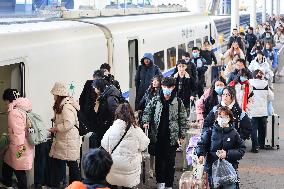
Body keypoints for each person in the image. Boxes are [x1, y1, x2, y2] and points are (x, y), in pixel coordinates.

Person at [142, 77, 187, 189]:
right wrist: (146, 121)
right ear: (161, 86)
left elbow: (183, 119)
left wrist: (182, 135)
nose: (167, 89)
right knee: (159, 162)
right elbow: (147, 111)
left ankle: (169, 184)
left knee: (170, 162)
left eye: (169, 87)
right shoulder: (156, 100)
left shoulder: (178, 102)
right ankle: (160, 183)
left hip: (171, 138)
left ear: (173, 88)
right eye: (165, 86)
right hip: (157, 136)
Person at [101, 103, 149, 188]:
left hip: (113, 170)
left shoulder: (111, 129)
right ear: (131, 114)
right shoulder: (136, 130)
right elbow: (144, 145)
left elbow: (104, 145)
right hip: (130, 172)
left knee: (112, 183)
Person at [197, 106, 246, 189]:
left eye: (225, 116)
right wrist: (201, 154)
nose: (223, 119)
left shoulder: (234, 133)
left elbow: (241, 149)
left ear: (230, 118)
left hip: (229, 170)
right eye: (220, 116)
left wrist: (227, 154)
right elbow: (201, 144)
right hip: (212, 169)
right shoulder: (210, 132)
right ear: (216, 118)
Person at [49, 82, 81, 188]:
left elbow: (69, 123)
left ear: (58, 94)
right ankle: (68, 185)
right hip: (66, 139)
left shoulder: (66, 106)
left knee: (70, 163)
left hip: (68, 139)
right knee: (65, 162)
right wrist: (56, 120)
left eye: (54, 94)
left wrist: (56, 128)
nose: (53, 96)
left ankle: (72, 185)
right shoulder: (63, 104)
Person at [1, 89, 34, 189]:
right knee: (8, 163)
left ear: (9, 100)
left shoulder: (14, 112)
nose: (5, 104)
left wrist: (11, 147)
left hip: (19, 146)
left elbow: (17, 134)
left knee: (18, 169)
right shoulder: (25, 109)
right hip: (26, 144)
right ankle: (7, 184)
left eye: (6, 102)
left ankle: (13, 185)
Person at [249, 70, 274, 153]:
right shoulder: (265, 84)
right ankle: (261, 144)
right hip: (263, 111)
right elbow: (271, 97)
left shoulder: (250, 83)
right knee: (261, 128)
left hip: (253, 111)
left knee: (253, 129)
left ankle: (255, 146)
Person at [92, 78, 121, 147]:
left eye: (95, 88)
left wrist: (106, 123)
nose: (94, 90)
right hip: (105, 126)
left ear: (99, 87)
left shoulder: (110, 98)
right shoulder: (105, 95)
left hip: (107, 127)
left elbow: (114, 113)